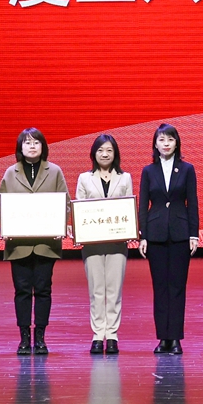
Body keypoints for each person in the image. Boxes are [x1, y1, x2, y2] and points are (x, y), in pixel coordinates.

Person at [0, 127, 68, 355]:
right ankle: (24, 338)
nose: (32, 146)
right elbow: (0, 205)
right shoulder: (11, 172)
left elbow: (65, 203)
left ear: (43, 147)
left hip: (46, 244)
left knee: (43, 290)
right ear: (20, 147)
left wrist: (60, 224)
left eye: (36, 142)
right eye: (27, 142)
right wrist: (5, 225)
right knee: (22, 291)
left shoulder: (54, 171)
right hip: (18, 244)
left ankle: (40, 337)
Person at [138, 123, 199, 355]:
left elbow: (192, 203)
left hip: (180, 233)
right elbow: (143, 205)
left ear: (176, 143)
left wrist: (194, 234)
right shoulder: (148, 171)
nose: (166, 144)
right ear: (155, 144)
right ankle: (163, 338)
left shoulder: (187, 169)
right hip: (155, 235)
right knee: (160, 287)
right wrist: (143, 235)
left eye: (170, 140)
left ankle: (175, 338)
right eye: (162, 140)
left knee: (177, 287)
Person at [74, 134, 134, 355]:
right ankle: (98, 334)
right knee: (97, 290)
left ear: (115, 153)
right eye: (100, 150)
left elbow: (128, 209)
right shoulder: (84, 178)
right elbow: (79, 210)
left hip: (117, 243)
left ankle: (113, 335)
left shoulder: (125, 178)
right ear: (94, 154)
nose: (105, 154)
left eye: (109, 150)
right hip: (93, 244)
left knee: (114, 290)